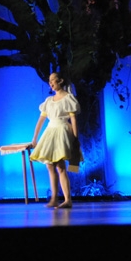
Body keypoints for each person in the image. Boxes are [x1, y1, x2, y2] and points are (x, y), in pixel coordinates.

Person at [30, 72, 82, 209]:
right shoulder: (48, 101)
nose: (51, 83)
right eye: (49, 81)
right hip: (50, 131)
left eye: (53, 80)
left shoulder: (68, 98)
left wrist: (75, 139)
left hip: (62, 130)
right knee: (49, 165)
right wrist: (35, 137)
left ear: (60, 81)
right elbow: (41, 120)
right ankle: (54, 198)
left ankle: (67, 199)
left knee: (60, 166)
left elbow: (73, 120)